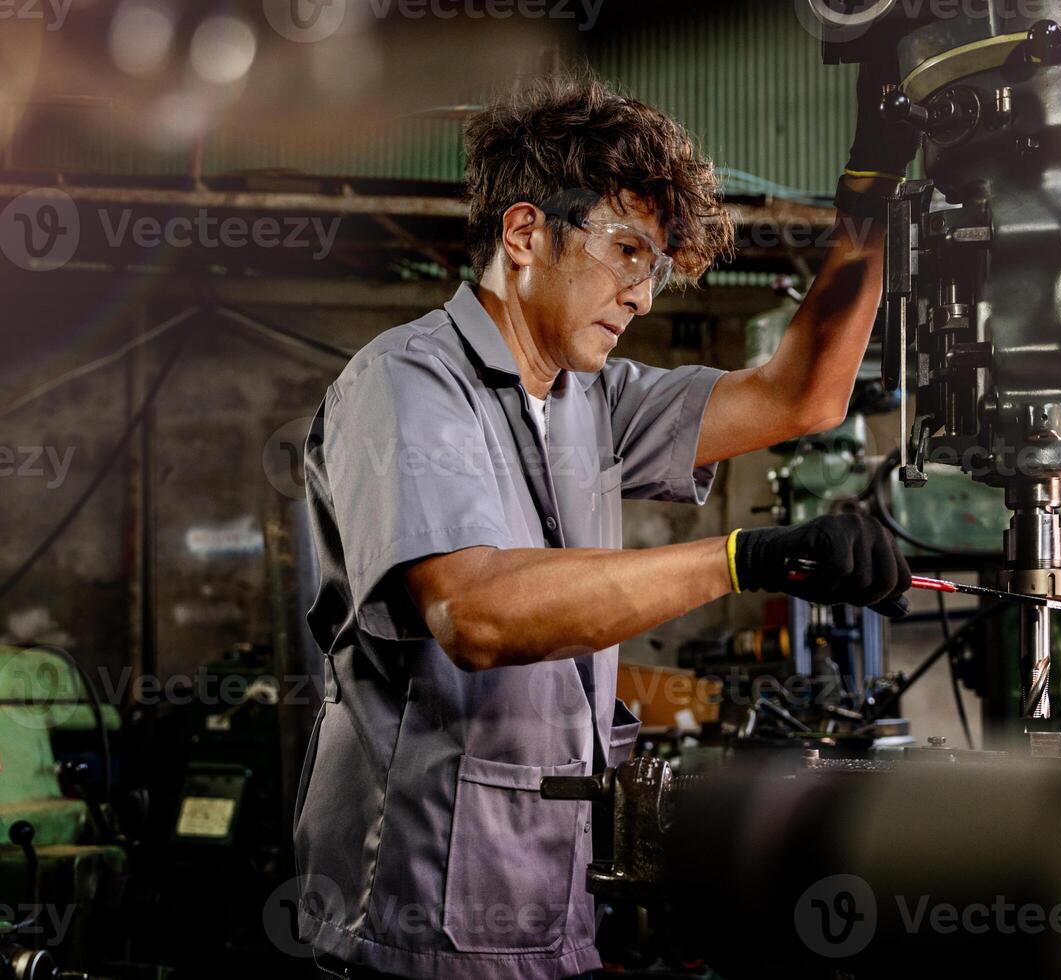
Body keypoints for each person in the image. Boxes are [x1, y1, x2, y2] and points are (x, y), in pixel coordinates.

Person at [292, 69, 919, 980]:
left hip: (552, 910)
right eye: (628, 251)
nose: (644, 294)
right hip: (412, 927)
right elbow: (477, 614)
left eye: (656, 269)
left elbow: (803, 394)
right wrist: (744, 558)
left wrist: (870, 199)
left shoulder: (593, 398)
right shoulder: (407, 386)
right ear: (524, 234)